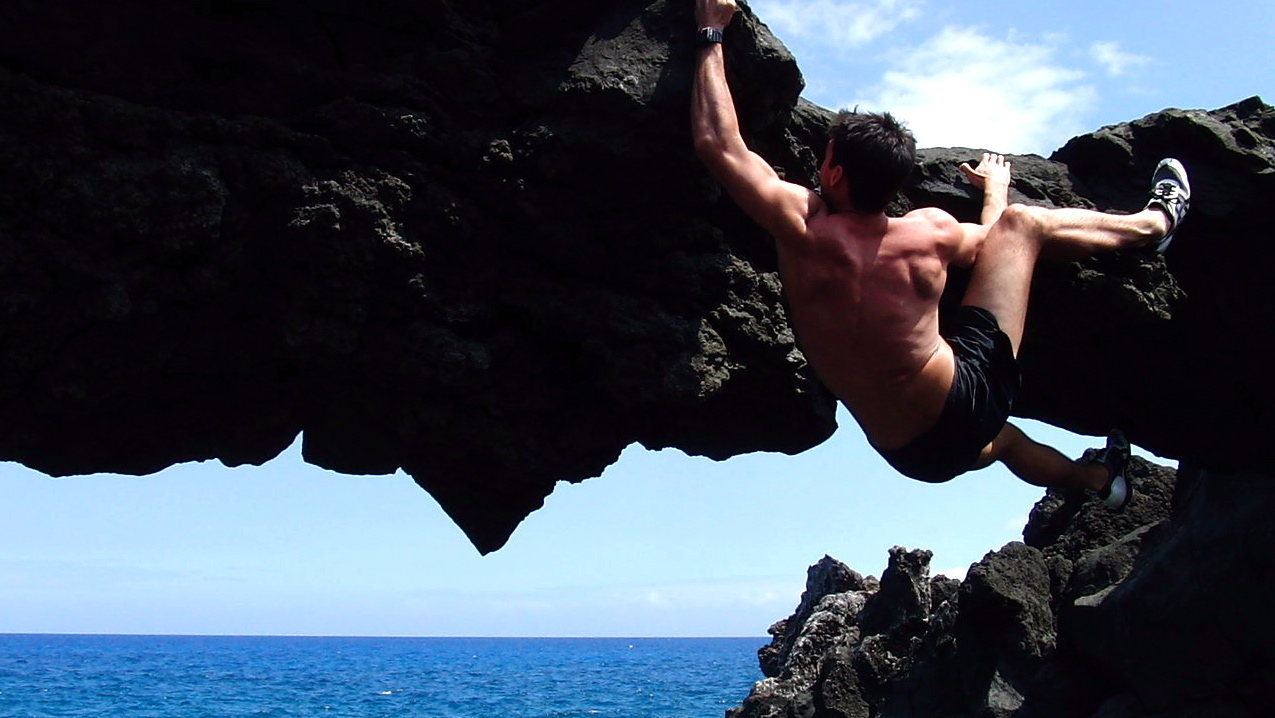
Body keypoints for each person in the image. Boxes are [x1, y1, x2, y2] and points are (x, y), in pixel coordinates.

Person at [689, 0, 1190, 508]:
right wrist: (997, 188)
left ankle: (1103, 483)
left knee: (1007, 443)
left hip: (911, 456)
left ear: (834, 173)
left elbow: (719, 143)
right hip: (968, 399)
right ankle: (1151, 224)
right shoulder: (926, 234)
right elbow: (996, 243)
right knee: (1024, 222)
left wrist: (712, 32)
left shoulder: (802, 226)